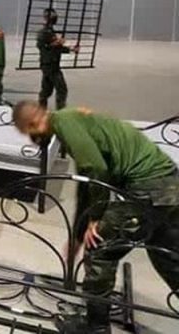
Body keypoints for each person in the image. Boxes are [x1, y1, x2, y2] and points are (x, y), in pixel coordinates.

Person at [13, 101, 179, 334]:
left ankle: (96, 327)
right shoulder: (72, 119)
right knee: (168, 256)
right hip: (169, 186)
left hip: (146, 189)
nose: (33, 139)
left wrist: (96, 219)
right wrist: (78, 236)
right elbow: (86, 185)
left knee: (99, 250)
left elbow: (96, 169)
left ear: (32, 124)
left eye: (28, 133)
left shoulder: (64, 123)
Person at [37, 8, 78, 109]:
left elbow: (57, 48)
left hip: (51, 64)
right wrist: (56, 43)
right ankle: (60, 111)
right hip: (50, 65)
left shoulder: (50, 31)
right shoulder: (44, 32)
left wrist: (71, 49)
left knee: (46, 90)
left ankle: (41, 110)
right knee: (61, 89)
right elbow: (42, 46)